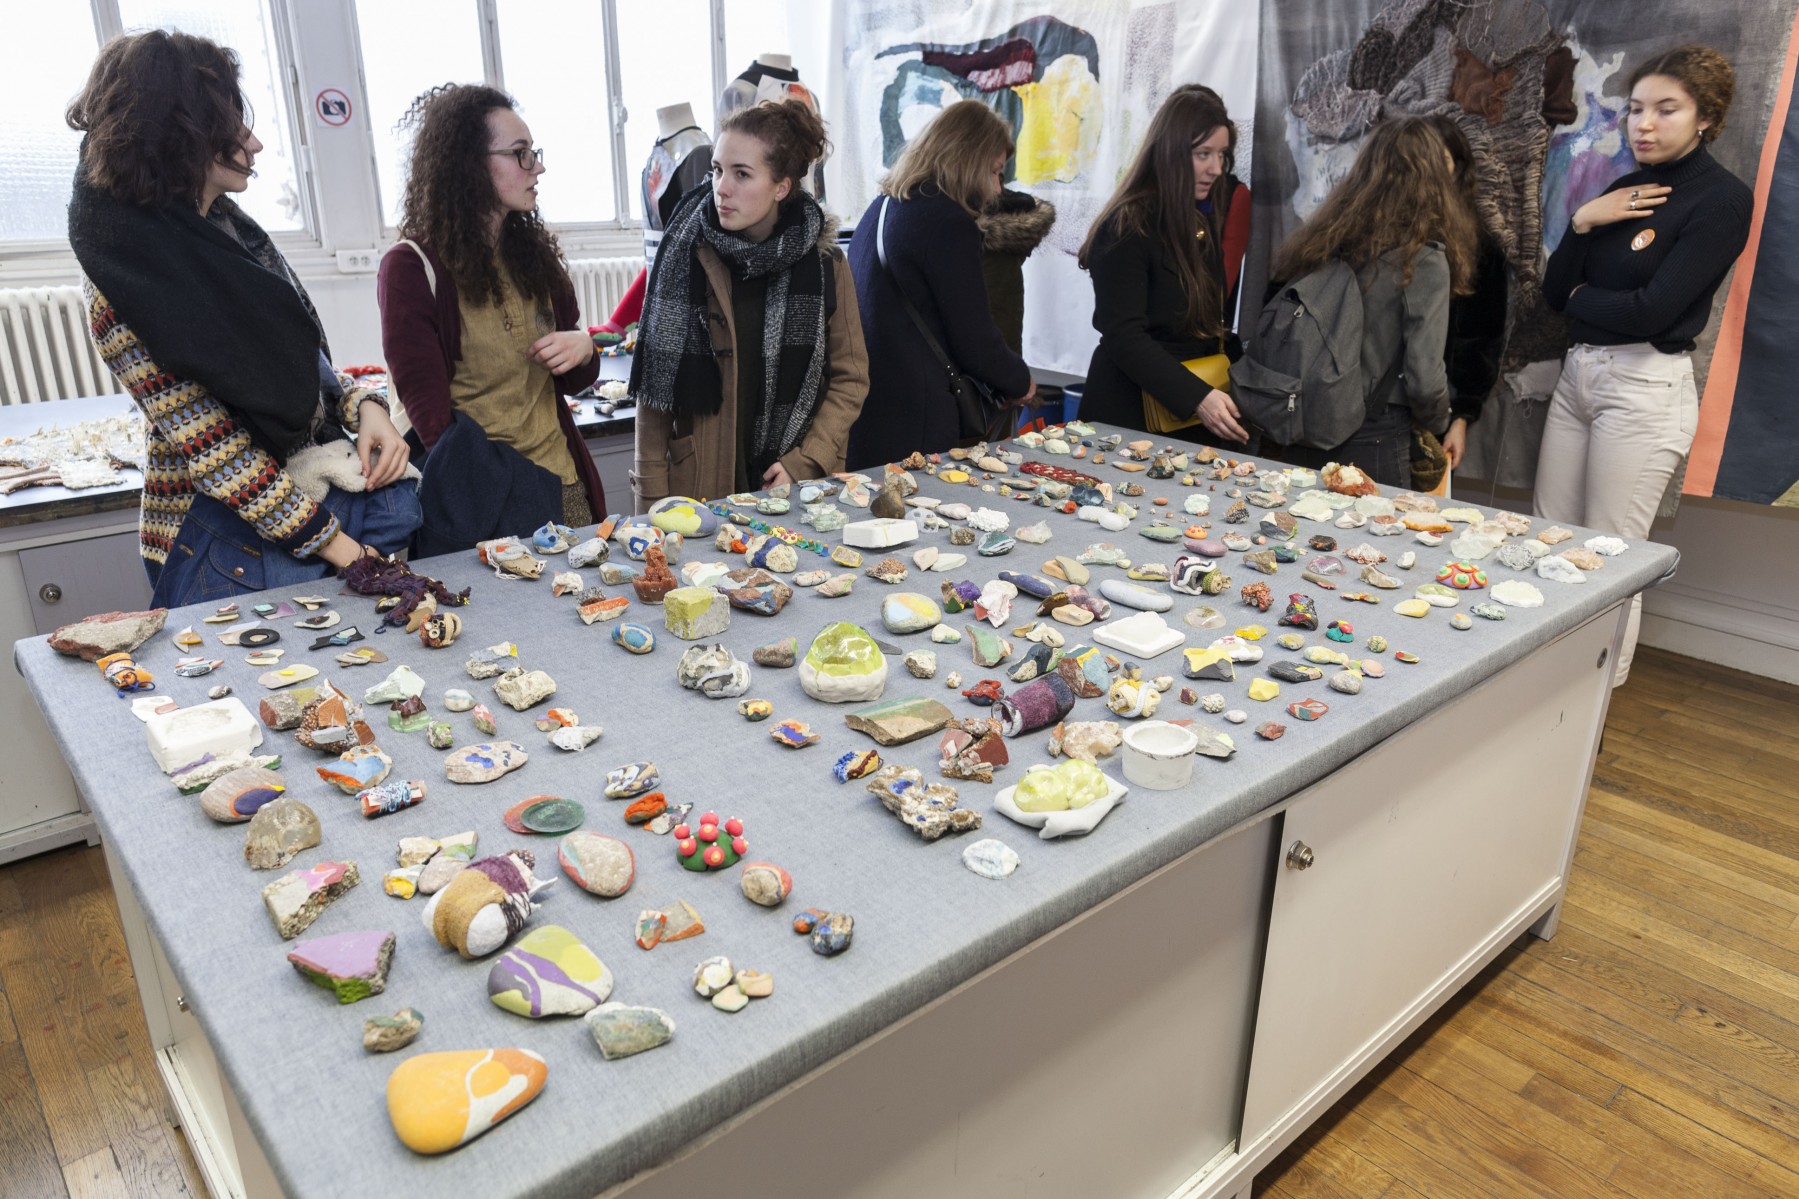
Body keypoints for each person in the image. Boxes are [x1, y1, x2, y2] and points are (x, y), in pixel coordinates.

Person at [66, 30, 416, 606]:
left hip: (304, 520)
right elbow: (221, 455)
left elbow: (306, 367)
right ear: (177, 138)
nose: (252, 142)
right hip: (225, 546)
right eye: (228, 126)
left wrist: (367, 406)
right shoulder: (123, 281)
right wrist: (351, 556)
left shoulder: (231, 234)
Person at [1537, 45, 1752, 685]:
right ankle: (1533, 693)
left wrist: (1582, 300)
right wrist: (1580, 221)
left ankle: (1591, 706)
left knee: (1608, 559)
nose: (1644, 124)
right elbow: (1553, 296)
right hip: (1579, 376)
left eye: (1667, 109)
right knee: (1551, 542)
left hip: (1643, 388)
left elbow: (1652, 313)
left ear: (1705, 117)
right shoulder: (1624, 189)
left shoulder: (1721, 200)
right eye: (1635, 109)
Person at [378, 83, 606, 553]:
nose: (537, 166)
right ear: (470, 165)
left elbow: (570, 378)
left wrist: (585, 346)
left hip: (562, 485)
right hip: (482, 500)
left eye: (534, 152)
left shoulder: (533, 255)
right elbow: (433, 425)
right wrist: (511, 490)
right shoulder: (410, 268)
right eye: (520, 154)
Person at [630, 99, 868, 505]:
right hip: (699, 490)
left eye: (742, 174)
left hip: (792, 487)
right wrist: (650, 503)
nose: (721, 187)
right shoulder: (685, 252)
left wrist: (807, 459)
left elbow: (851, 379)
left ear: (781, 187)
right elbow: (655, 398)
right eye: (718, 169)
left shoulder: (825, 263)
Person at [1265, 115, 1477, 487]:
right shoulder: (1423, 260)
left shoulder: (1325, 239)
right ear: (1434, 182)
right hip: (1372, 435)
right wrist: (1441, 421)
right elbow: (1425, 379)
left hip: (1303, 422)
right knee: (1375, 544)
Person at [846, 101, 1035, 467]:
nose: (997, 189)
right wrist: (1020, 381)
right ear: (969, 160)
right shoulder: (947, 222)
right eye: (995, 172)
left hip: (868, 409)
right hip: (916, 416)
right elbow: (975, 339)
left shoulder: (882, 207)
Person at [1077, 84, 1251, 442]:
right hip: (1127, 417)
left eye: (1222, 155)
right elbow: (1123, 335)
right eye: (1204, 154)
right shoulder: (1127, 225)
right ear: (1171, 152)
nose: (1217, 168)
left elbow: (1204, 326)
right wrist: (1197, 396)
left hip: (1190, 414)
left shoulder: (1197, 222)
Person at [1430, 114, 1511, 475]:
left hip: (1430, 408)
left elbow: (1483, 338)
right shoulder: (1365, 232)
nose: (1427, 173)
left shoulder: (1478, 245)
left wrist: (1461, 416)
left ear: (1458, 169)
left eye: (1440, 162)